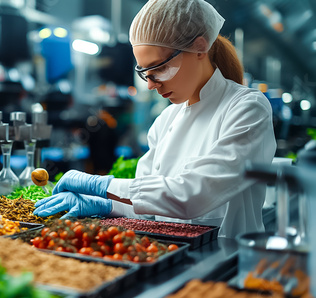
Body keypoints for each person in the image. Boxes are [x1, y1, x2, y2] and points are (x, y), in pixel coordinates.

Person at [33, 0, 276, 238]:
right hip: (168, 255)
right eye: (144, 73)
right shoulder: (167, 119)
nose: (150, 85)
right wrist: (105, 205)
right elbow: (150, 205)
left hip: (225, 261)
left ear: (200, 48)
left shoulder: (246, 108)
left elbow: (192, 195)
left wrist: (102, 185)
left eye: (159, 69)